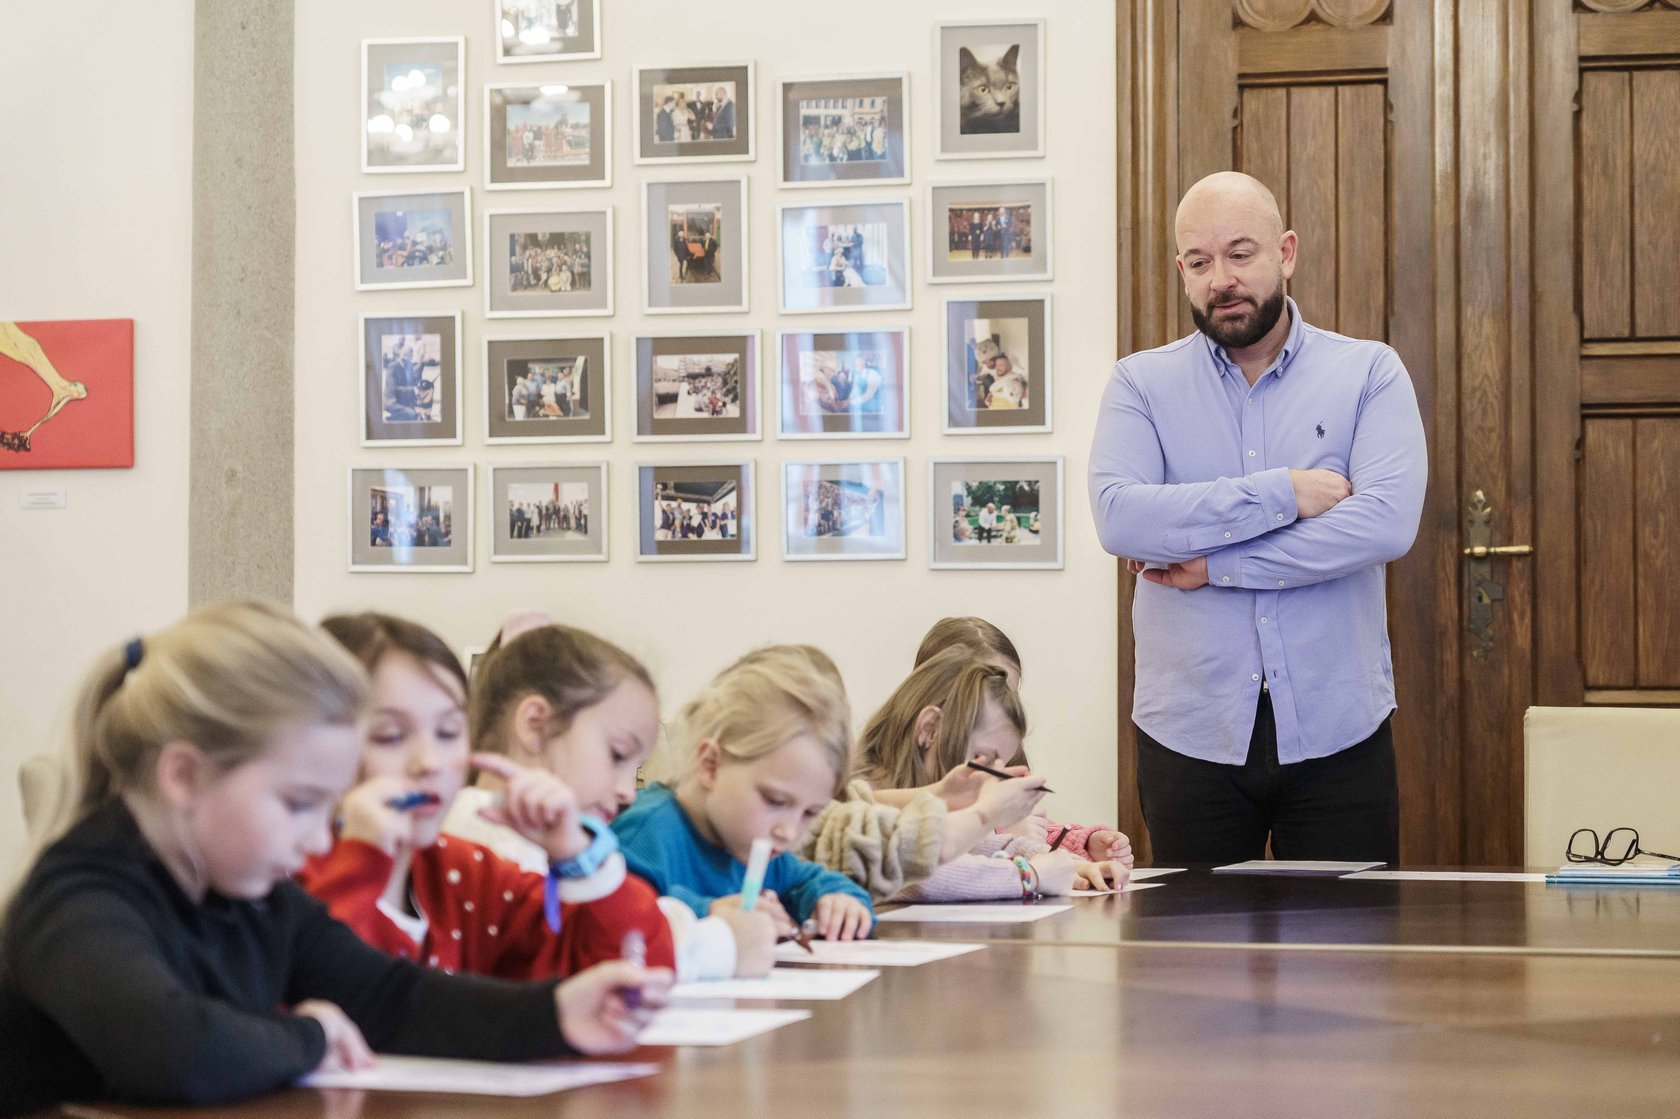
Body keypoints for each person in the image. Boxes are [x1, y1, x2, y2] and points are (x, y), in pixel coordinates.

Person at [0, 603, 671, 1116]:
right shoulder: (75, 899)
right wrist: (310, 1036)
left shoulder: (250, 896)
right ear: (185, 776)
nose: (320, 842)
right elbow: (175, 1051)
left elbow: (392, 996)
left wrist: (558, 1013)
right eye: (298, 803)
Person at [1088, 170, 1427, 866]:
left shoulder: (1369, 373)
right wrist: (1283, 494)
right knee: (1194, 939)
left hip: (1339, 732)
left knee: (1348, 937)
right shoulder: (1139, 385)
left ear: (1287, 253)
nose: (1222, 280)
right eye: (1200, 262)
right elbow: (1120, 518)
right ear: (1182, 271)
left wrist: (1216, 564)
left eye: (1240, 254)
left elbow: (1385, 524)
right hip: (1189, 735)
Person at [297, 613, 675, 981]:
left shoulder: (468, 876)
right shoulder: (286, 874)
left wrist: (579, 860)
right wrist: (362, 861)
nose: (431, 762)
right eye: (390, 736)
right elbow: (324, 983)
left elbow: (637, 971)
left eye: (448, 732)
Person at [446, 618, 777, 982]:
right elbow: (593, 955)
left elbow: (604, 915)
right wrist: (722, 944)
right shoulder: (486, 837)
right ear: (536, 725)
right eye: (618, 755)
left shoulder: (537, 840)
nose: (627, 792)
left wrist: (699, 916)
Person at [612, 647, 875, 943]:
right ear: (710, 765)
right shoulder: (645, 834)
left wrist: (839, 902)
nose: (789, 832)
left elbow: (811, 881)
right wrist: (709, 914)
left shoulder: (755, 849)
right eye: (775, 801)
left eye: (810, 813)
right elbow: (610, 916)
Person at [851, 650, 1126, 901]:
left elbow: (978, 845)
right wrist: (1029, 874)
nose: (992, 779)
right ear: (930, 729)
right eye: (982, 759)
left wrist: (1070, 865)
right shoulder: (853, 796)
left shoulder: (923, 797)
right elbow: (918, 869)